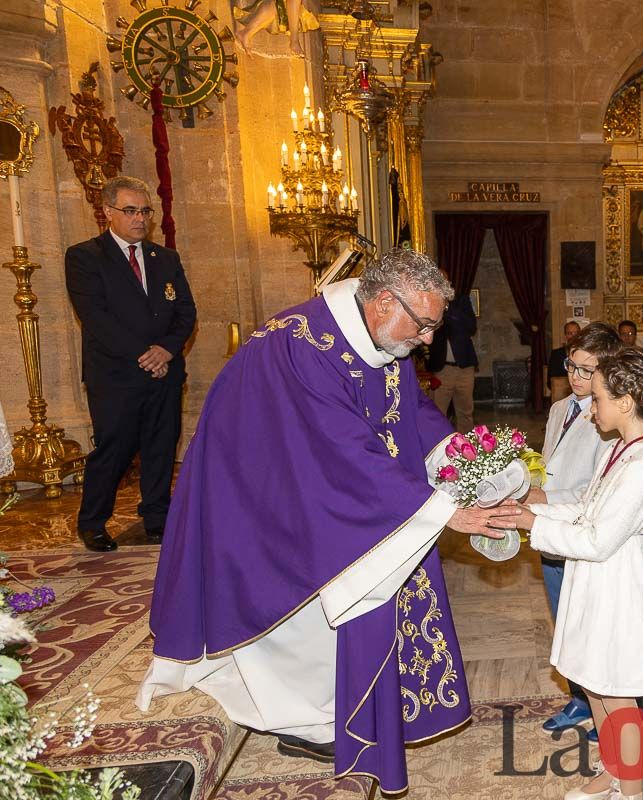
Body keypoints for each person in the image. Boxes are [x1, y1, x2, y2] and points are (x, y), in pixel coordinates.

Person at [136, 250, 520, 790]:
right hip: (261, 495)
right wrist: (445, 511)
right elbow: (344, 452)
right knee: (301, 603)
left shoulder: (383, 337)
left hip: (311, 483)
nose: (429, 340)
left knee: (345, 594)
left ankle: (322, 708)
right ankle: (303, 716)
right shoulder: (302, 347)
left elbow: (411, 414)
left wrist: (464, 455)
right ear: (385, 300)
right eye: (425, 324)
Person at [506, 348, 643, 800]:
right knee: (595, 685)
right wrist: (532, 507)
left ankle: (631, 790)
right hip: (597, 578)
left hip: (616, 582)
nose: (592, 408)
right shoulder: (621, 449)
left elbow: (596, 540)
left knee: (617, 695)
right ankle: (612, 770)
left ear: (626, 402)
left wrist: (535, 526)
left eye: (600, 398)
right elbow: (589, 509)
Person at [65, 175, 197, 552]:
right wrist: (146, 355)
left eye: (144, 210)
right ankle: (92, 522)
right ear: (108, 212)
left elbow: (185, 312)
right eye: (130, 210)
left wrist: (167, 351)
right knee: (115, 448)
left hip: (165, 372)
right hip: (116, 375)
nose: (140, 218)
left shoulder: (165, 258)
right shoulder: (85, 257)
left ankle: (156, 517)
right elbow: (96, 317)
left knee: (161, 444)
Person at [524, 323, 622, 741]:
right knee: (564, 621)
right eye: (572, 367)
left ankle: (608, 708)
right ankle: (581, 698)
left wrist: (543, 497)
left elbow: (596, 488)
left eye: (588, 371)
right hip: (550, 532)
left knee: (593, 625)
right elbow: (549, 464)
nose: (578, 378)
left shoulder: (611, 419)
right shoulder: (558, 409)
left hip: (583, 533)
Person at [428, 290, 478, 430]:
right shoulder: (428, 302)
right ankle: (441, 450)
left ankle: (466, 448)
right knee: (438, 414)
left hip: (464, 368)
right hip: (442, 370)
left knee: (465, 413)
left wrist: (448, 307)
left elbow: (471, 326)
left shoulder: (461, 301)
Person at [548, 320, 582, 392]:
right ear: (565, 336)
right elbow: (550, 382)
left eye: (576, 333)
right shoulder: (556, 354)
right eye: (570, 333)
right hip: (561, 393)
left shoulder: (586, 354)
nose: (573, 336)